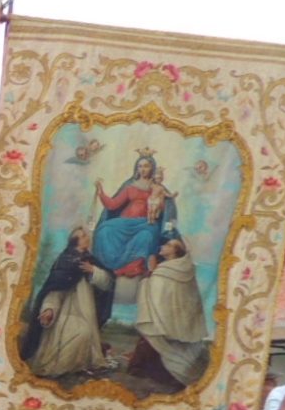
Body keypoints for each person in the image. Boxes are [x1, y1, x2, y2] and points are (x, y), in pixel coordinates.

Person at [21, 227, 114, 378]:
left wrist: (94, 271)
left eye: (86, 235)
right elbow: (54, 290)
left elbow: (108, 283)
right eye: (82, 236)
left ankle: (78, 367)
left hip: (85, 309)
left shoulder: (91, 261)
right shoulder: (64, 261)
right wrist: (49, 309)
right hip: (63, 311)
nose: (86, 238)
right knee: (80, 332)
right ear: (75, 241)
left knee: (87, 332)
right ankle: (61, 368)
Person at [129, 239, 209, 388]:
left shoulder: (166, 270)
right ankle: (142, 368)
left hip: (164, 319)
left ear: (175, 251)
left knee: (156, 341)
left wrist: (151, 272)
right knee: (151, 343)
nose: (162, 246)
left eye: (168, 245)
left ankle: (155, 373)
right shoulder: (183, 268)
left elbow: (155, 292)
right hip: (175, 320)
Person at [91, 151, 179, 276]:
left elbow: (167, 209)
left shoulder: (157, 188)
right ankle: (114, 266)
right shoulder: (130, 186)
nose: (142, 169)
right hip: (125, 222)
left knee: (146, 236)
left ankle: (133, 268)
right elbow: (112, 205)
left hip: (146, 224)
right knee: (105, 230)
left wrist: (162, 207)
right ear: (136, 169)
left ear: (152, 168)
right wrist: (100, 192)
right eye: (140, 166)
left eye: (146, 166)